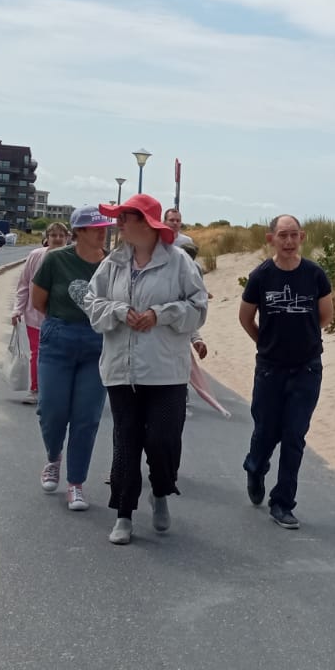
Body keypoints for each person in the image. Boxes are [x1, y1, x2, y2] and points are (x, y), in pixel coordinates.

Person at [81, 194, 209, 546]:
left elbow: (198, 308)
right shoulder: (112, 263)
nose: (119, 223)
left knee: (163, 440)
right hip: (121, 370)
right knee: (126, 441)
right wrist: (120, 311)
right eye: (119, 217)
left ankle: (161, 491)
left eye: (126, 217)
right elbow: (91, 303)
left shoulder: (180, 262)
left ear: (148, 223)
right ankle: (124, 514)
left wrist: (159, 315)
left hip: (166, 371)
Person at [239, 214, 333, 529]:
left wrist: (304, 339)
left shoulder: (315, 274)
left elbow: (325, 315)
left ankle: (282, 503)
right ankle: (255, 467)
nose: (289, 241)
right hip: (270, 370)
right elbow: (245, 317)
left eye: (294, 235)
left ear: (302, 237)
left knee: (294, 435)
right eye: (283, 235)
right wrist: (266, 343)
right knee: (266, 431)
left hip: (307, 368)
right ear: (272, 239)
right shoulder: (261, 276)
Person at [30, 206, 116, 512]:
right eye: (96, 228)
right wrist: (64, 325)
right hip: (58, 339)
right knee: (51, 410)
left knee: (86, 417)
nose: (103, 232)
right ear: (79, 231)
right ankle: (53, 457)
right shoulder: (56, 260)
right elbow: (38, 301)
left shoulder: (112, 264)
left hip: (97, 343)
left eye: (105, 227)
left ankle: (76, 483)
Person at [11, 221, 69, 406]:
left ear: (67, 238)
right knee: (37, 353)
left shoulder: (72, 258)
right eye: (53, 235)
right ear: (47, 238)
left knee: (60, 354)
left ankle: (55, 391)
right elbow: (23, 285)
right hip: (35, 316)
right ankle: (35, 390)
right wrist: (17, 309)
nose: (57, 239)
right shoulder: (35, 256)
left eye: (61, 236)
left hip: (63, 318)